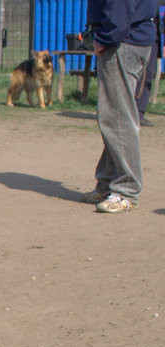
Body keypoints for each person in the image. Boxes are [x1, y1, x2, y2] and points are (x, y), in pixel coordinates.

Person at [83, 0, 158, 213]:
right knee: (116, 116)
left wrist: (105, 37)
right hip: (132, 38)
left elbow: (121, 3)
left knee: (117, 117)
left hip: (122, 42)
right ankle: (107, 183)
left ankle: (126, 189)